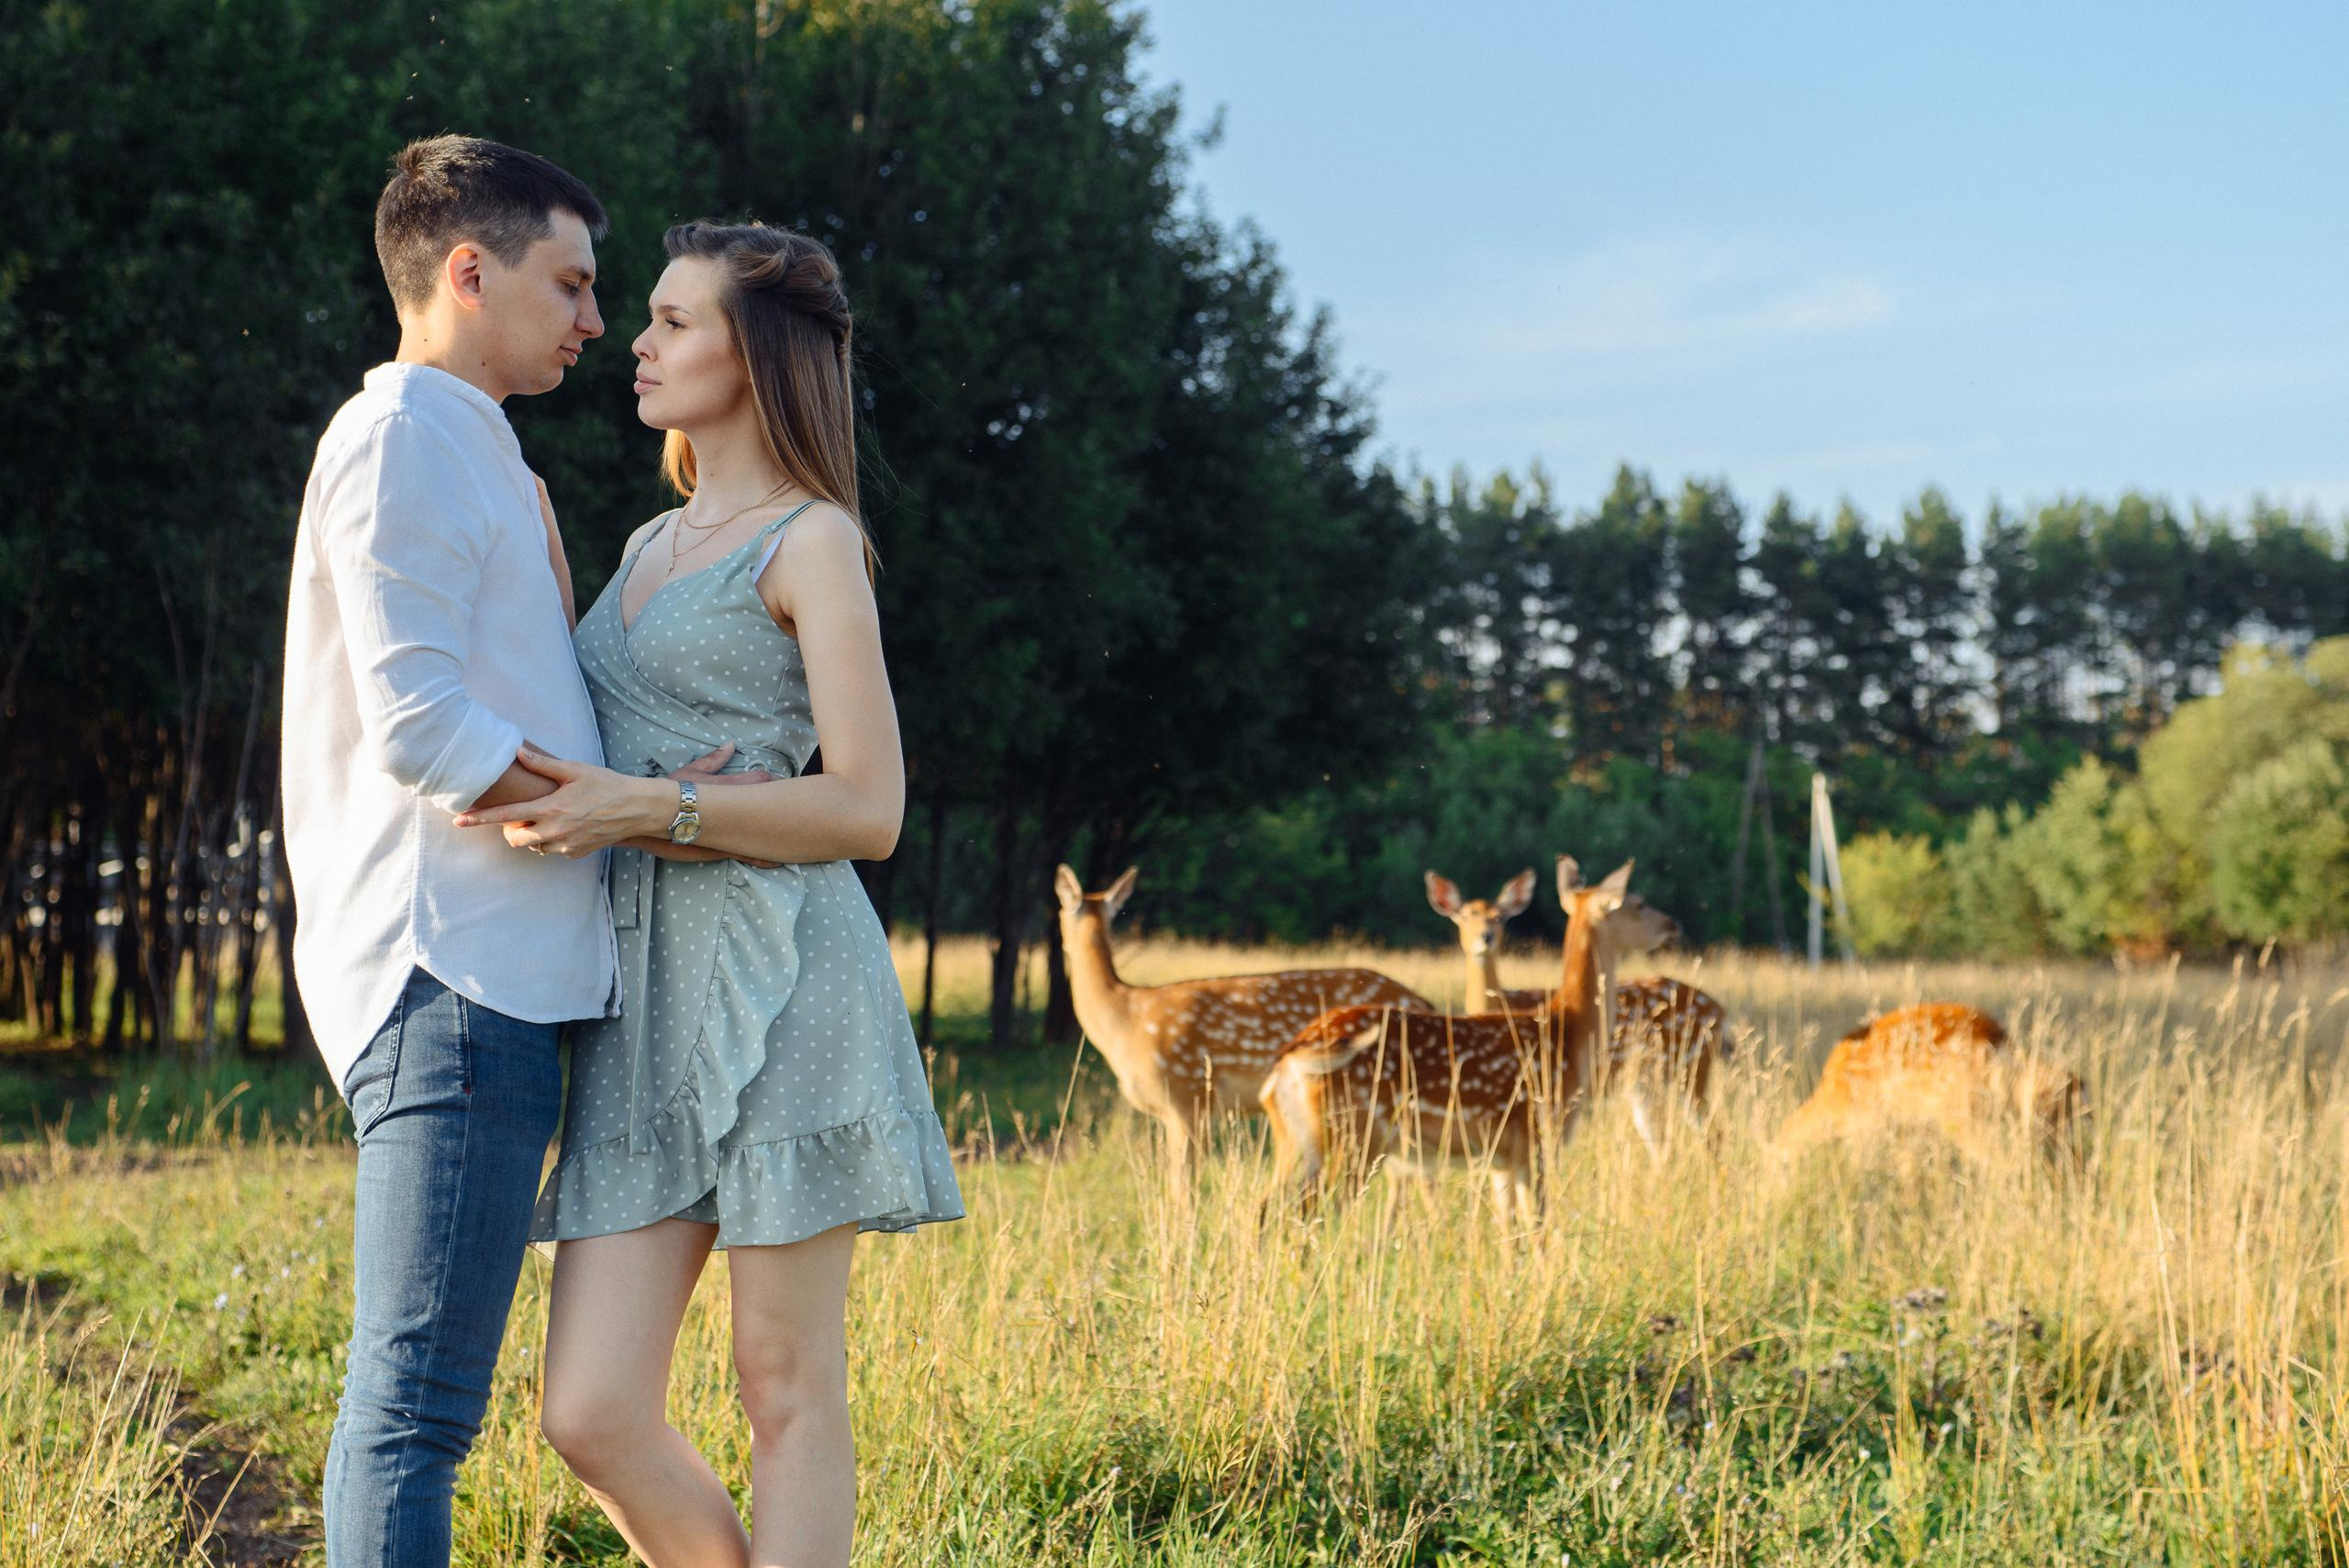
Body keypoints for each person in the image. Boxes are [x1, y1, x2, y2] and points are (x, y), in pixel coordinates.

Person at [451, 219, 963, 1566]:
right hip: (641, 1001)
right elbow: (583, 729)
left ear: (759, 355)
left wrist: (659, 806)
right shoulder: (641, 542)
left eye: (675, 320)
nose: (638, 338)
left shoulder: (814, 543)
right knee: (590, 1407)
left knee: (782, 1384)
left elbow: (869, 805)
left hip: (786, 979)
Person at [282, 135, 763, 1566]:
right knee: (417, 1405)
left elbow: (495, 704)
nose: (596, 320)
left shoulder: (471, 443)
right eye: (572, 283)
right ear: (469, 270)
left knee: (419, 1399)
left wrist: (641, 786)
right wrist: (619, 804)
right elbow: (421, 727)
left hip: (495, 986)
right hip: (451, 981)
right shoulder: (406, 434)